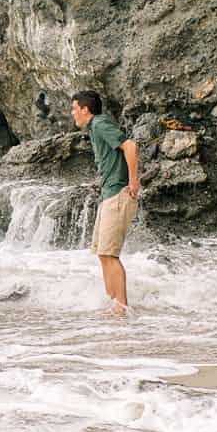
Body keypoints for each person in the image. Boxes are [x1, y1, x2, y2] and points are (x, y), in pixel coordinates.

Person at [70, 91, 139, 312]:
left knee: (110, 254)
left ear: (85, 109)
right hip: (108, 194)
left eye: (74, 108)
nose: (72, 113)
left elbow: (130, 146)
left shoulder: (99, 124)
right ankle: (113, 304)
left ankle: (122, 307)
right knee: (102, 253)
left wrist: (133, 181)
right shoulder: (94, 128)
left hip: (118, 193)